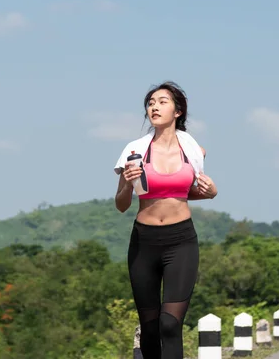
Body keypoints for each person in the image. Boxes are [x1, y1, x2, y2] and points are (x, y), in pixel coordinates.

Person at [113, 81, 218, 358]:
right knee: (149, 327)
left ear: (178, 111)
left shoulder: (193, 149)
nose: (154, 107)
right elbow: (122, 204)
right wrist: (125, 184)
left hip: (181, 242)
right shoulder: (134, 151)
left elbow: (187, 191)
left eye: (162, 101)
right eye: (150, 103)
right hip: (144, 243)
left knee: (169, 324)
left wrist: (211, 193)